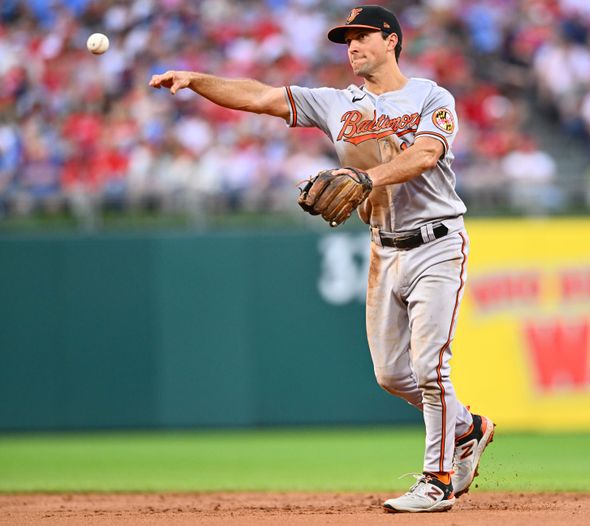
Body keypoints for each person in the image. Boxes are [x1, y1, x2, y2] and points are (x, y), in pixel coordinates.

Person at [149, 5, 494, 513]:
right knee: (392, 376)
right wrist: (197, 79)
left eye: (361, 36)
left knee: (429, 366)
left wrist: (364, 180)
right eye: (345, 39)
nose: (351, 46)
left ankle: (437, 481)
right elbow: (262, 96)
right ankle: (468, 428)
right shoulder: (337, 103)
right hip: (384, 246)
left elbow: (425, 155)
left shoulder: (430, 95)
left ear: (391, 39)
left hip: (438, 242)